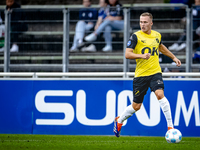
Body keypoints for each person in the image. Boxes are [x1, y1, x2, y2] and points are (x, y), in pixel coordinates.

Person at [113, 12, 181, 137]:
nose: (142, 24)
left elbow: (160, 47)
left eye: (145, 22)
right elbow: (127, 54)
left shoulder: (157, 35)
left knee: (160, 94)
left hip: (155, 72)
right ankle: (120, 120)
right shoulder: (135, 36)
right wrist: (141, 56)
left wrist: (174, 57)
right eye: (140, 22)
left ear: (151, 23)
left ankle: (170, 127)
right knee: (136, 106)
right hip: (141, 75)